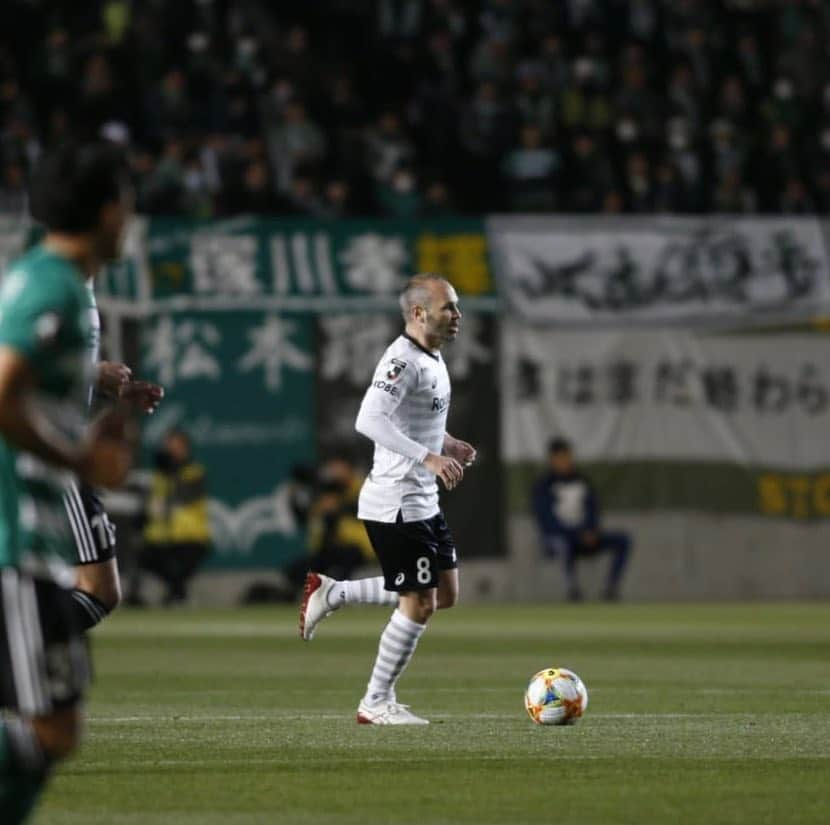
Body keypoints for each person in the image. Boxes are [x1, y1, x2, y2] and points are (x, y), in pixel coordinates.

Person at [0, 141, 136, 824]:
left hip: (29, 532)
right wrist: (80, 459)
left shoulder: (50, 281)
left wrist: (97, 382)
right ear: (110, 209)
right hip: (12, 533)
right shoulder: (51, 284)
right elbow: (1, 391)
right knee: (51, 728)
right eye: (128, 203)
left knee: (56, 730)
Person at [299, 273, 475, 725]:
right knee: (420, 602)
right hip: (396, 501)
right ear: (419, 313)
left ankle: (334, 591)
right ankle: (375, 703)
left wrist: (447, 443)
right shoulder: (402, 361)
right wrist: (429, 459)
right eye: (448, 307)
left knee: (445, 593)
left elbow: (414, 421)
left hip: (423, 500)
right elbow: (369, 420)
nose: (457, 315)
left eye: (456, 306)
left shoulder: (432, 358)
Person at [532, 437, 631, 602]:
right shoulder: (543, 486)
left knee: (623, 540)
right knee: (561, 543)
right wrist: (577, 533)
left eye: (568, 457)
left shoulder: (583, 481)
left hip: (586, 536)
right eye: (561, 458)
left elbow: (593, 509)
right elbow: (547, 521)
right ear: (553, 459)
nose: (566, 461)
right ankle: (572, 589)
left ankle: (611, 589)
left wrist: (591, 530)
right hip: (561, 538)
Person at [130, 429, 211, 606]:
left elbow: (183, 494)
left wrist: (171, 471)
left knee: (178, 568)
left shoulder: (194, 472)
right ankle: (142, 596)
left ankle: (177, 595)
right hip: (160, 539)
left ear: (185, 448)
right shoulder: (158, 476)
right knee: (144, 557)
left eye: (175, 446)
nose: (171, 451)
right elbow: (150, 507)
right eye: (168, 446)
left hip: (190, 539)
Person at [282, 455, 375, 599]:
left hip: (360, 546)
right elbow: (304, 518)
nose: (333, 471)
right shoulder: (326, 494)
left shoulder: (360, 487)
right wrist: (294, 497)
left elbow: (359, 504)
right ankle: (304, 598)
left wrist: (338, 504)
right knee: (298, 569)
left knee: (344, 561)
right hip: (331, 548)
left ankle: (339, 597)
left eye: (337, 467)